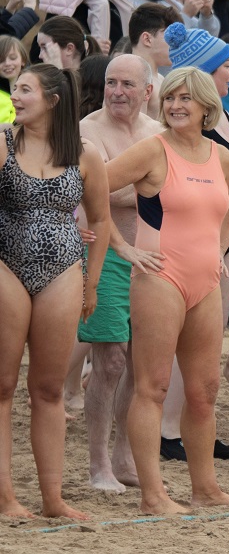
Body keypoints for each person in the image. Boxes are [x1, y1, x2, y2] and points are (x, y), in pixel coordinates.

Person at [105, 66, 229, 514]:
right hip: (159, 278)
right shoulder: (152, 150)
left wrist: (219, 247)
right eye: (169, 98)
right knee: (153, 386)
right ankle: (153, 496)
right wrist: (122, 247)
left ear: (207, 105)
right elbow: (90, 186)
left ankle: (205, 489)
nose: (175, 105)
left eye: (185, 98)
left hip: (206, 281)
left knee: (203, 391)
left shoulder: (221, 156)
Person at [0, 63, 110, 518]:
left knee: (48, 389)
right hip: (6, 262)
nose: (15, 95)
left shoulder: (84, 154)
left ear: (53, 99)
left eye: (25, 89)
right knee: (2, 384)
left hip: (64, 269)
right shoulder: (4, 140)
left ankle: (52, 498)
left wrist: (92, 283)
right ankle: (6, 497)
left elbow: (100, 220)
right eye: (14, 88)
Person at [78, 54, 163, 492]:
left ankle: (124, 457)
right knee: (109, 361)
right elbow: (95, 200)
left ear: (147, 92)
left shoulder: (158, 132)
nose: (117, 91)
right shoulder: (89, 131)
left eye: (127, 84)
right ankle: (98, 465)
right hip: (106, 253)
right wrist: (135, 191)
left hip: (151, 254)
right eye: (112, 82)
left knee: (140, 363)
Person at [128, 3, 181, 119]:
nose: (177, 44)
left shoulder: (160, 79)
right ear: (147, 39)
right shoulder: (132, 77)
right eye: (170, 38)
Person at [36, 16, 100, 70]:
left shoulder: (90, 81)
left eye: (45, 48)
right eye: (40, 48)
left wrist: (57, 70)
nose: (40, 56)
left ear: (69, 49)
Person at [0, 36, 27, 123]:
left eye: (13, 58)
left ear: (23, 60)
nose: (7, 63)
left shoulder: (33, 91)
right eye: (1, 60)